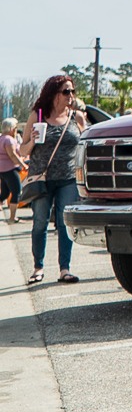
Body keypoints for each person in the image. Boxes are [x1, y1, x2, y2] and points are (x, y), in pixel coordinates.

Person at [21, 75, 87, 284]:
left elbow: (85, 145)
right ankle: (38, 267)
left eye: (72, 91)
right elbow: (22, 150)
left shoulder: (75, 117)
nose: (71, 96)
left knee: (64, 223)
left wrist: (84, 126)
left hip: (68, 178)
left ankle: (64, 269)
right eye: (66, 92)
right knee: (40, 222)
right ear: (54, 94)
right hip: (42, 177)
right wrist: (31, 140)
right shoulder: (38, 116)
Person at [0, 117, 24, 224]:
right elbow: (12, 155)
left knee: (5, 193)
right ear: (11, 128)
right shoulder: (8, 140)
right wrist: (23, 164)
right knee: (16, 192)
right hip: (10, 169)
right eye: (15, 127)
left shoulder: (1, 138)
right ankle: (12, 217)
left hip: (2, 169)